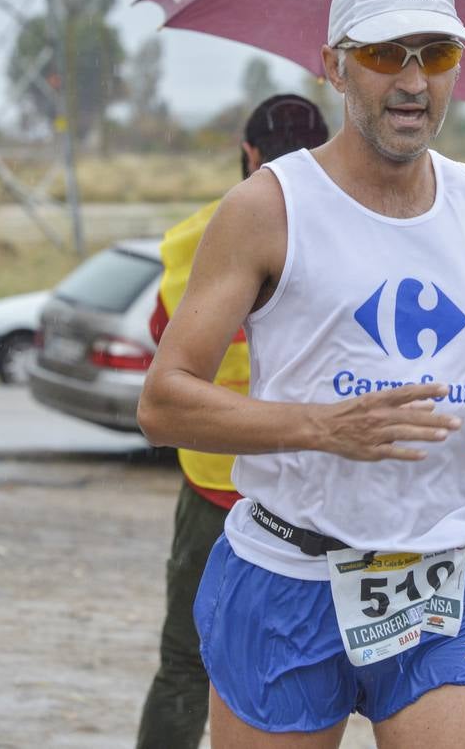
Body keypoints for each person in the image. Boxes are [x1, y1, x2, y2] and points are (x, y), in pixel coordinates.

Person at [138, 0, 465, 747]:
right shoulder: (267, 208)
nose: (411, 81)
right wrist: (320, 429)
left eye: (434, 56)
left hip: (439, 579)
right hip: (288, 576)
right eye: (384, 54)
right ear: (333, 65)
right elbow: (164, 402)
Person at [136, 94, 330, 749]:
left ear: (249, 154)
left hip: (214, 481)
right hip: (316, 490)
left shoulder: (198, 236)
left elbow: (163, 340)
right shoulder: (351, 229)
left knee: (188, 663)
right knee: (331, 672)